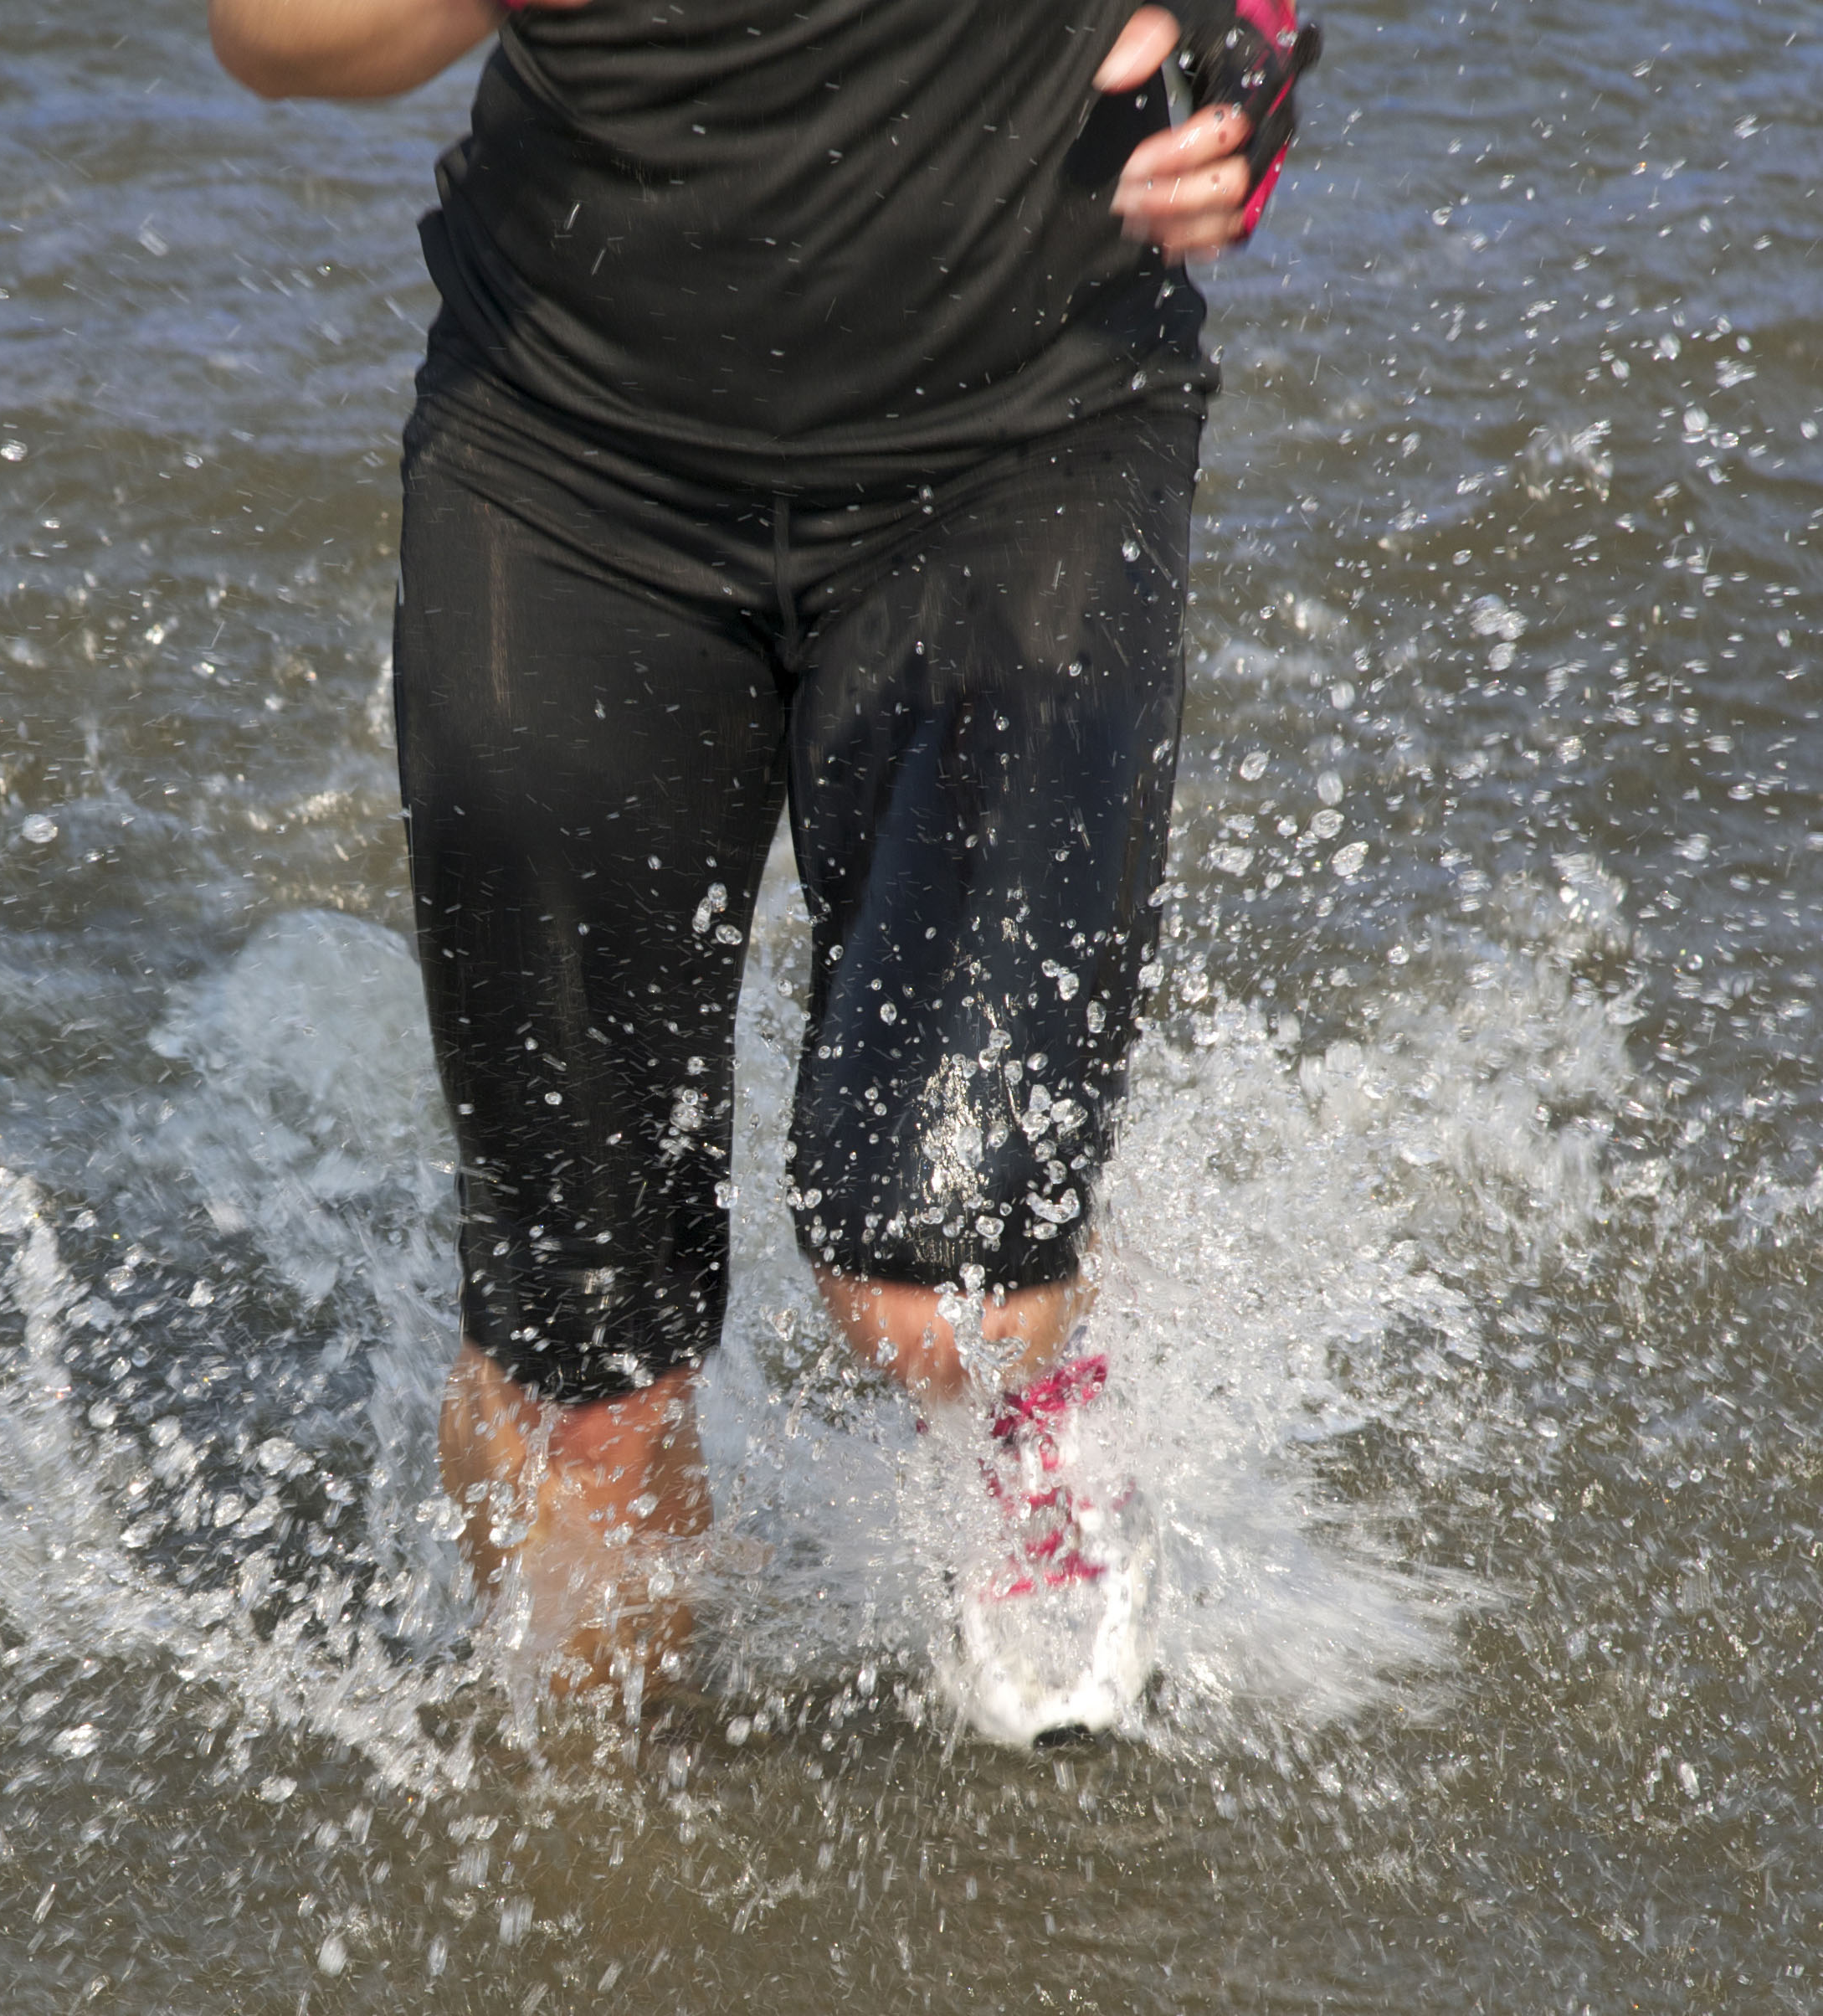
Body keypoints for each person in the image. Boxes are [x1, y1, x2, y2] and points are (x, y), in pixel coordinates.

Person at [209, 0, 1316, 1727]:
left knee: (927, 1288)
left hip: (1018, 438)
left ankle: (1047, 1466)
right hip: (572, 467)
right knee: (585, 1386)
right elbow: (275, 37)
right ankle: (598, 1872)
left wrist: (1251, 55)